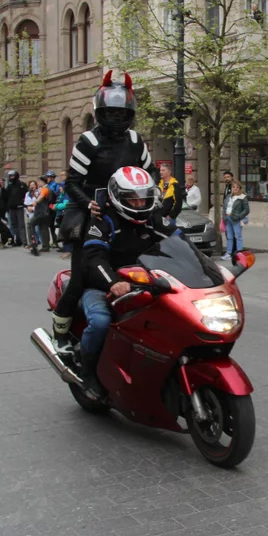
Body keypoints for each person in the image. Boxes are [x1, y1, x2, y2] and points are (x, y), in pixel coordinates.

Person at [53, 71, 155, 354]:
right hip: (93, 209)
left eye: (122, 113)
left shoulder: (136, 140)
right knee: (80, 277)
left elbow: (149, 173)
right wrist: (89, 204)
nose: (117, 118)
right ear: (100, 111)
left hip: (128, 207)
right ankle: (59, 333)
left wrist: (158, 202)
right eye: (111, 113)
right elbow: (72, 183)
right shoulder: (88, 141)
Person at [76, 166, 177, 398]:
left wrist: (209, 269)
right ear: (117, 197)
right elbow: (93, 257)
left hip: (146, 285)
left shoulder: (152, 220)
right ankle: (88, 374)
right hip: (103, 287)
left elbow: (180, 242)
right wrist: (112, 282)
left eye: (144, 199)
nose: (140, 204)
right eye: (133, 199)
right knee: (100, 321)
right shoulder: (103, 221)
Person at [222, 180, 249, 261]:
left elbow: (247, 210)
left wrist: (239, 216)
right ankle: (228, 253)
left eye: (237, 187)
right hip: (228, 218)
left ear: (240, 188)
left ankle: (239, 254)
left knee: (238, 237)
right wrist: (223, 216)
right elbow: (224, 207)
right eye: (233, 187)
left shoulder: (243, 197)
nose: (235, 188)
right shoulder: (228, 196)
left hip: (236, 219)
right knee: (229, 237)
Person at [4, 170, 29, 246]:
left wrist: (22, 203)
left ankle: (24, 241)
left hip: (19, 207)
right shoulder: (9, 186)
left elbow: (26, 195)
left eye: (12, 176)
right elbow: (6, 196)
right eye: (10, 176)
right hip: (12, 208)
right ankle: (18, 240)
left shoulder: (22, 185)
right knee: (14, 225)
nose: (11, 178)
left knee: (21, 225)